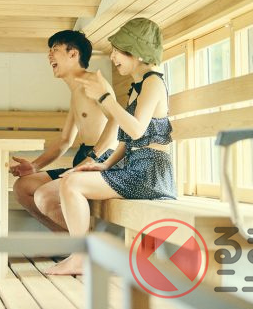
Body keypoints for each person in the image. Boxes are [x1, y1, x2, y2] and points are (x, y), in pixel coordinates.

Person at [45, 17, 176, 275]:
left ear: (136, 52)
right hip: (137, 167)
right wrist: (103, 164)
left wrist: (105, 97)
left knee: (71, 184)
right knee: (72, 180)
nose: (113, 57)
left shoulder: (153, 83)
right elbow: (128, 141)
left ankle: (80, 257)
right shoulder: (138, 86)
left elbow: (136, 129)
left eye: (118, 51)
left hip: (150, 173)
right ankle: (81, 254)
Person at [11, 30, 118, 232]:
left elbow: (116, 120)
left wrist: (93, 158)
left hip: (102, 161)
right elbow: (65, 140)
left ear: (73, 54)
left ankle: (87, 244)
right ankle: (72, 241)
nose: (49, 56)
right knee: (22, 187)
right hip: (84, 158)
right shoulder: (76, 92)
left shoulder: (94, 82)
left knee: (44, 196)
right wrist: (34, 166)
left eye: (55, 49)